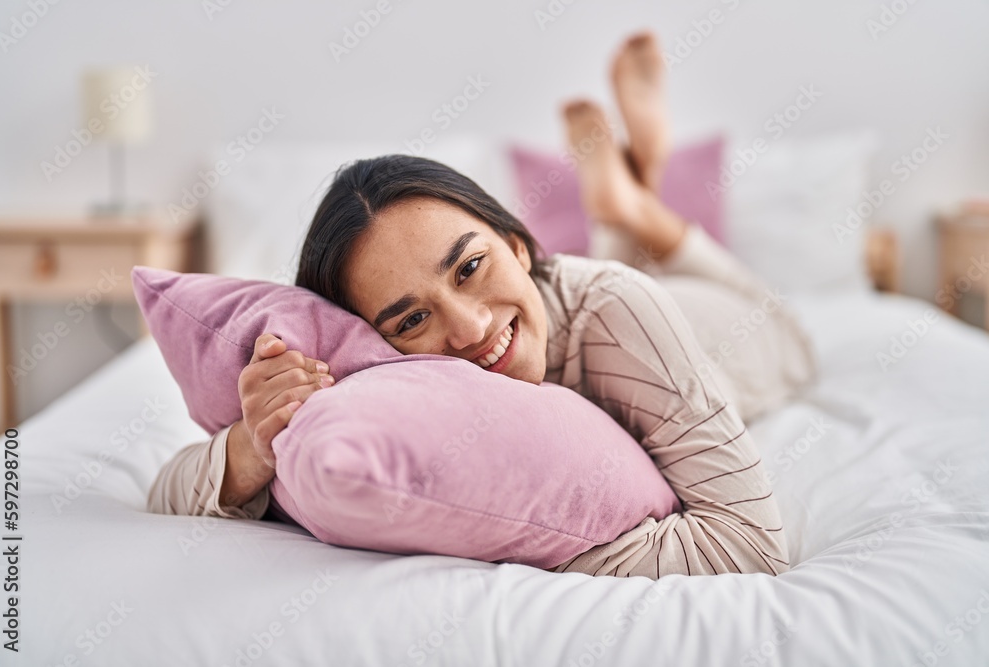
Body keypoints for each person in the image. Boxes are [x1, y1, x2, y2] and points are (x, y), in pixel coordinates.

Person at [147, 31, 817, 578]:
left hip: (706, 320)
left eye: (470, 266)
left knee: (781, 325)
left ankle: (633, 207)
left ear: (519, 244)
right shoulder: (379, 378)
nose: (468, 328)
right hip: (586, 292)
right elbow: (164, 491)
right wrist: (250, 448)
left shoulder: (620, 312)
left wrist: (537, 546)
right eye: (410, 318)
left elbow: (751, 546)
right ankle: (622, 202)